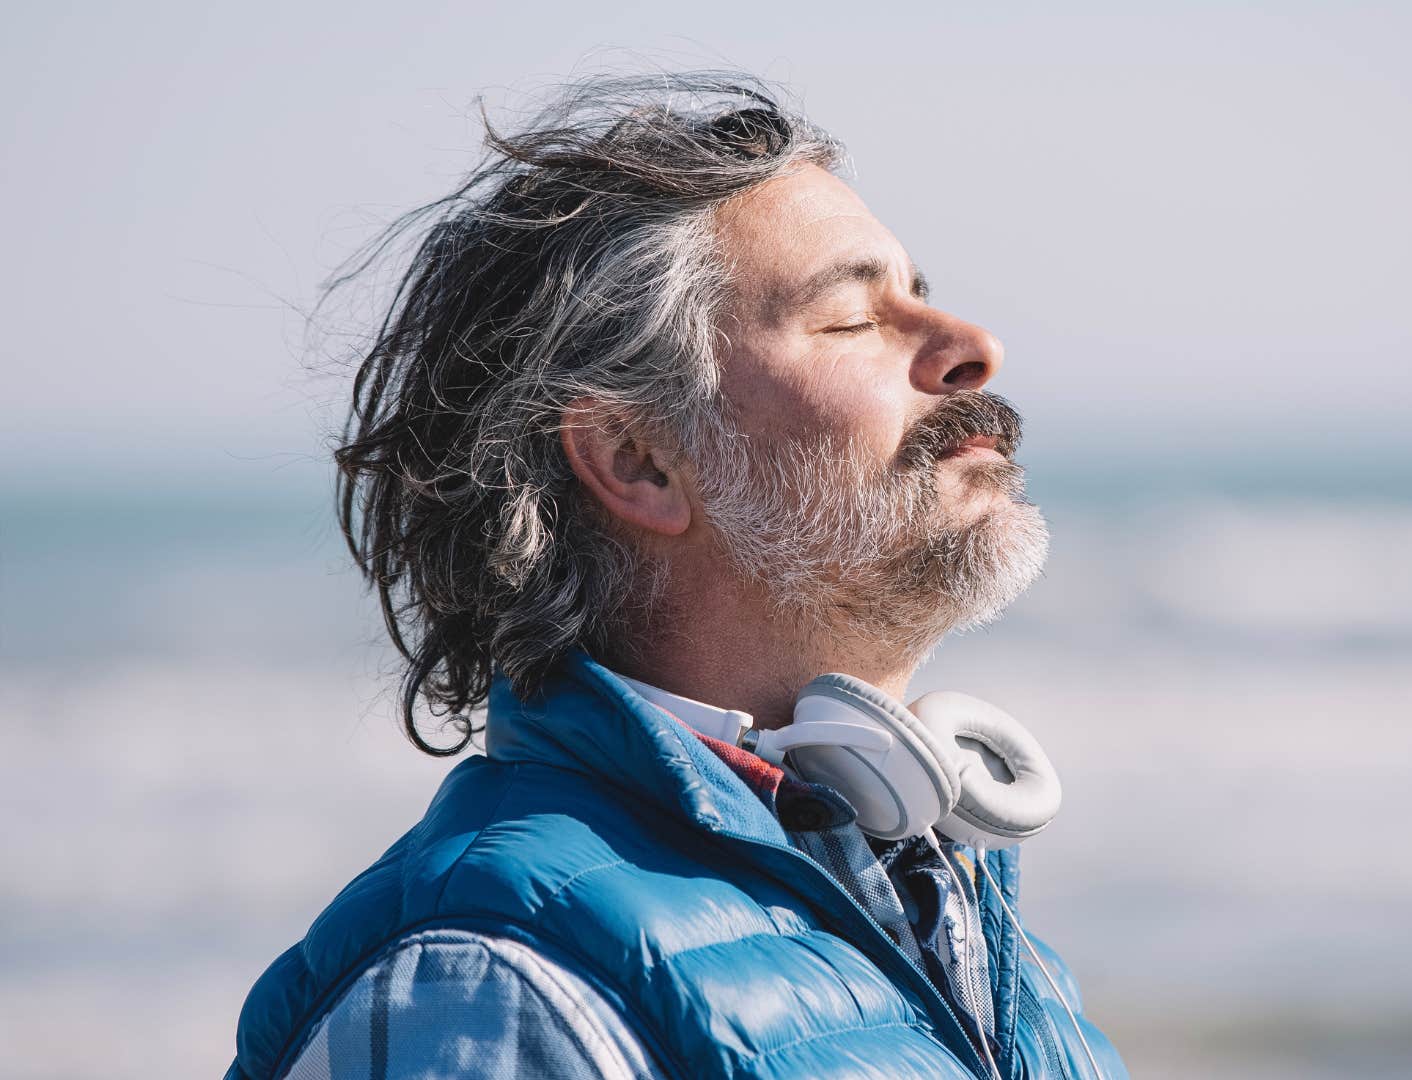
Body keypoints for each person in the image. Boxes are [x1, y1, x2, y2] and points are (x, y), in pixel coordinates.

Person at [225, 72, 1127, 1080]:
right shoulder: (492, 986)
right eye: (850, 317)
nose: (973, 346)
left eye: (916, 292)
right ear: (638, 460)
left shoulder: (983, 938)